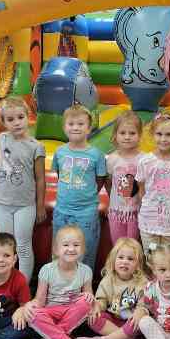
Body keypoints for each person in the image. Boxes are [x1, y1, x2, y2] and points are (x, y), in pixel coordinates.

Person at [0, 96, 46, 282]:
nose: (17, 122)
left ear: (28, 117)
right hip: (2, 202)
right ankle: (8, 281)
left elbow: (40, 178)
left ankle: (23, 284)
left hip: (25, 204)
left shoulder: (36, 146)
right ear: (3, 122)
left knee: (23, 246)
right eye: (10, 119)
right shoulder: (2, 139)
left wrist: (40, 206)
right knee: (7, 246)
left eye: (20, 117)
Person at [23, 225, 97, 339]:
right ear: (56, 250)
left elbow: (89, 295)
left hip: (72, 312)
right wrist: (29, 305)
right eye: (66, 245)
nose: (71, 249)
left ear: (83, 249)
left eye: (76, 245)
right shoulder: (47, 270)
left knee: (86, 302)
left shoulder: (86, 271)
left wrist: (90, 298)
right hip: (50, 312)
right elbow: (39, 301)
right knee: (32, 314)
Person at [51, 105, 107, 271]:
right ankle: (58, 279)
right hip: (62, 209)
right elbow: (60, 175)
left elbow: (100, 180)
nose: (75, 127)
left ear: (89, 128)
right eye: (71, 124)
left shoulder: (96, 154)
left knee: (85, 249)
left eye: (80, 124)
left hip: (86, 211)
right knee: (59, 248)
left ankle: (84, 281)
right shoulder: (60, 152)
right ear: (64, 127)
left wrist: (86, 194)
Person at [78, 237, 147, 339]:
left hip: (131, 323)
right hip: (113, 321)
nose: (125, 261)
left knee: (141, 322)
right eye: (120, 257)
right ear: (113, 260)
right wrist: (97, 307)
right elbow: (102, 300)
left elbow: (143, 305)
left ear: (138, 264)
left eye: (130, 259)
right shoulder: (108, 279)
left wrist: (140, 312)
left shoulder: (142, 282)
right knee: (93, 318)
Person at [136, 112, 170, 252]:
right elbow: (141, 189)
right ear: (153, 134)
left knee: (169, 258)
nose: (163, 139)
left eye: (169, 135)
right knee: (151, 257)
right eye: (159, 134)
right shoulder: (145, 161)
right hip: (149, 220)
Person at [105, 111, 143, 244]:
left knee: (132, 245)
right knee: (117, 245)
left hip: (135, 213)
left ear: (139, 135)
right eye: (122, 133)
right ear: (115, 135)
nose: (127, 137)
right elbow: (109, 183)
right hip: (117, 212)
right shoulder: (112, 159)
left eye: (132, 133)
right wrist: (112, 203)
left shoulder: (143, 160)